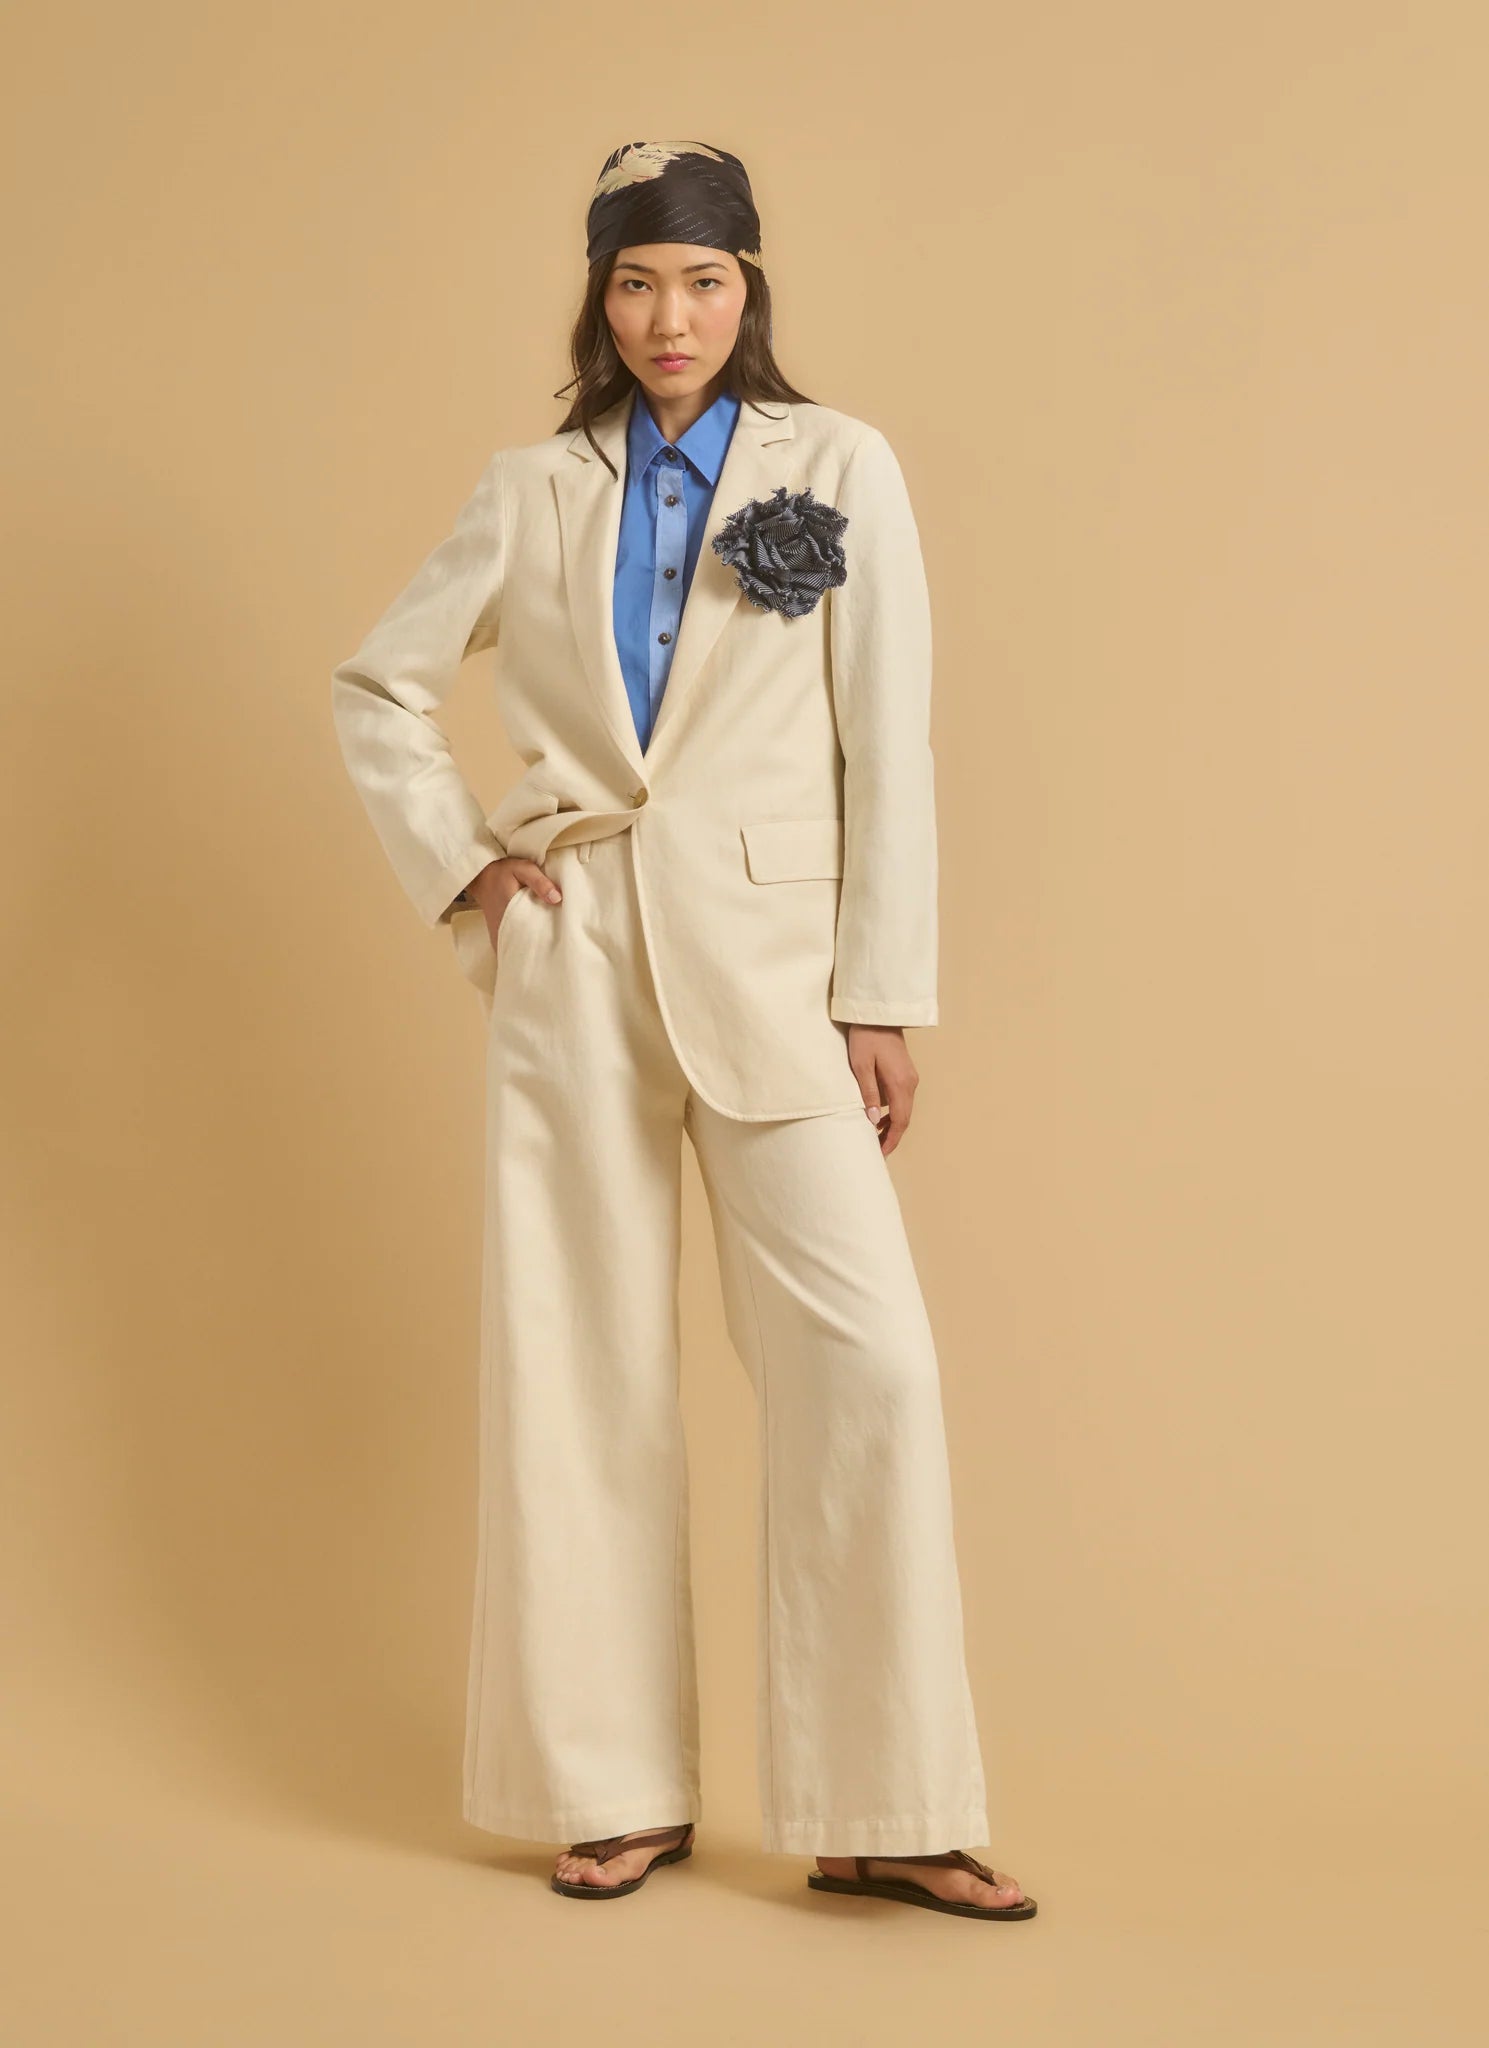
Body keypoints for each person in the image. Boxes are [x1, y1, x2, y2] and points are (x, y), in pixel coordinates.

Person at [330, 138, 1035, 1923]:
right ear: (600, 293)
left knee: (867, 1364)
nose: (671, 317)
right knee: (577, 1367)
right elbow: (379, 684)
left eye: (704, 281)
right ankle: (614, 1787)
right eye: (637, 281)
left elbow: (888, 743)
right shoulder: (530, 487)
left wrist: (879, 992)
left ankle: (885, 1804)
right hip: (573, 957)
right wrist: (470, 870)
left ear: (747, 289)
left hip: (779, 971)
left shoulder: (837, 465)